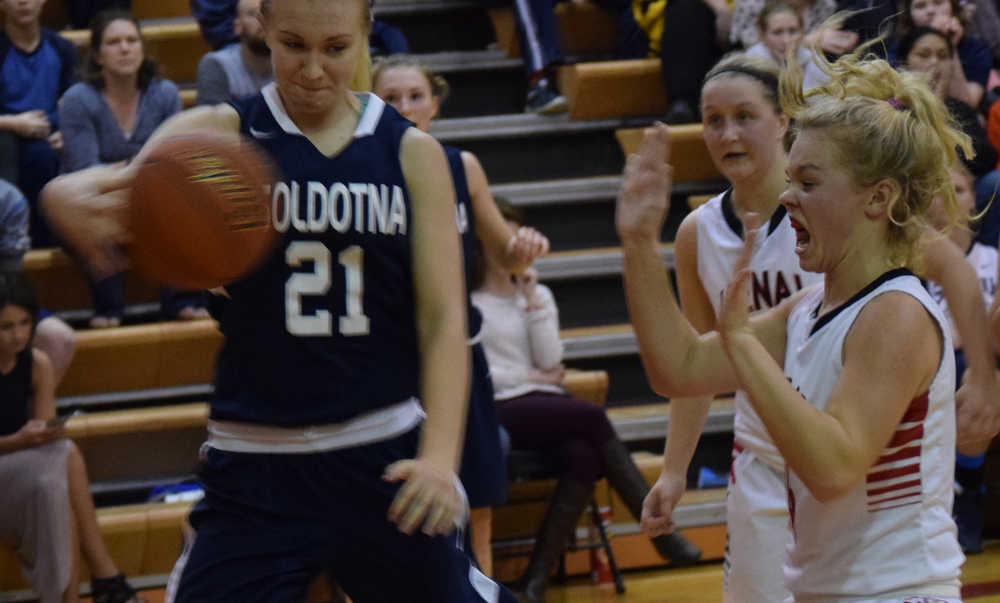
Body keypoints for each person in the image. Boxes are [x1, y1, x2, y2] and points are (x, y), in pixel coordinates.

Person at [41, 0, 517, 600]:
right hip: (255, 462)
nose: (313, 69)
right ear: (262, 29)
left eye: (336, 48)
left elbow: (445, 318)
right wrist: (59, 197)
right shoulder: (219, 134)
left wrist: (442, 459)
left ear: (366, 35)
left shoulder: (410, 153)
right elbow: (109, 194)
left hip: (382, 456)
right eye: (293, 45)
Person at [638, 51, 999, 602]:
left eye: (807, 182)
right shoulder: (806, 310)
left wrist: (742, 345)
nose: (786, 196)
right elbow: (679, 368)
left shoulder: (895, 311)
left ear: (878, 198)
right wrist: (639, 245)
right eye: (791, 179)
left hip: (894, 591)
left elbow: (833, 466)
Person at [371, 54, 550, 578]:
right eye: (391, 97)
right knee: (379, 521)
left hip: (460, 362)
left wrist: (525, 246)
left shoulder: (462, 167)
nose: (405, 106)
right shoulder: (360, 169)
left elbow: (507, 252)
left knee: (476, 514)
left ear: (434, 103)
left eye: (415, 95)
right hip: (390, 364)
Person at [474, 199, 701, 603]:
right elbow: (482, 375)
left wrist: (530, 301)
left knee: (584, 455)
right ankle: (661, 533)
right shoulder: (469, 300)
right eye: (497, 235)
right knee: (592, 418)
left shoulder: (536, 292)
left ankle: (533, 584)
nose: (508, 245)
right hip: (497, 407)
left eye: (513, 236)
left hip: (542, 405)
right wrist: (529, 377)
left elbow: (551, 361)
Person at [59, 10, 208, 328]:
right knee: (99, 208)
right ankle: (109, 309)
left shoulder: (164, 93)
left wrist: (125, 171)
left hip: (152, 195)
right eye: (114, 42)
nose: (125, 48)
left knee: (185, 200)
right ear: (98, 55)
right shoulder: (77, 100)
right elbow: (86, 171)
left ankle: (182, 301)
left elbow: (174, 160)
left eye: (131, 40)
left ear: (142, 49)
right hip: (95, 199)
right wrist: (142, 170)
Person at [0, 270, 140, 603]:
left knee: (57, 474)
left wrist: (44, 432)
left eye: (24, 323)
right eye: (6, 327)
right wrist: (18, 442)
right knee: (63, 460)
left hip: (22, 476)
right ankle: (105, 577)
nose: (18, 336)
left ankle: (74, 595)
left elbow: (43, 438)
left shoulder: (37, 363)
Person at [926, 161, 995, 555]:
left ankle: (965, 492)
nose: (951, 199)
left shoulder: (992, 258)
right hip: (938, 363)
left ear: (974, 200)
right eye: (941, 188)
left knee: (970, 371)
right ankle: (956, 491)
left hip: (984, 365)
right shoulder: (916, 263)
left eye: (960, 189)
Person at [0, 0, 77, 247]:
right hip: (5, 139)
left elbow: (78, 103)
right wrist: (12, 123)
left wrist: (67, 131)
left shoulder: (62, 48)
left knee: (45, 154)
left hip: (49, 140)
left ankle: (49, 242)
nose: (23, 1)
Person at [0, 178, 75, 383]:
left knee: (58, 338)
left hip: (3, 295)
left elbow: (11, 278)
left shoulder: (8, 199)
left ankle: (31, 411)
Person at [891, 0, 991, 109]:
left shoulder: (976, 50)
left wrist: (950, 46)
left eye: (938, 2)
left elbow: (966, 105)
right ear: (909, 15)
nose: (930, 11)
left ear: (953, 7)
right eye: (920, 6)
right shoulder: (898, 47)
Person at [195, 0, 274, 106]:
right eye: (253, 14)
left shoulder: (290, 63)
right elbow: (212, 120)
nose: (262, 21)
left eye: (267, 14)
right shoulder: (217, 64)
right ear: (237, 26)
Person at [745, 0, 812, 68]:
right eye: (777, 32)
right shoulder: (752, 62)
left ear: (802, 33)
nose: (786, 40)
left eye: (793, 31)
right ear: (762, 36)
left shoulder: (813, 60)